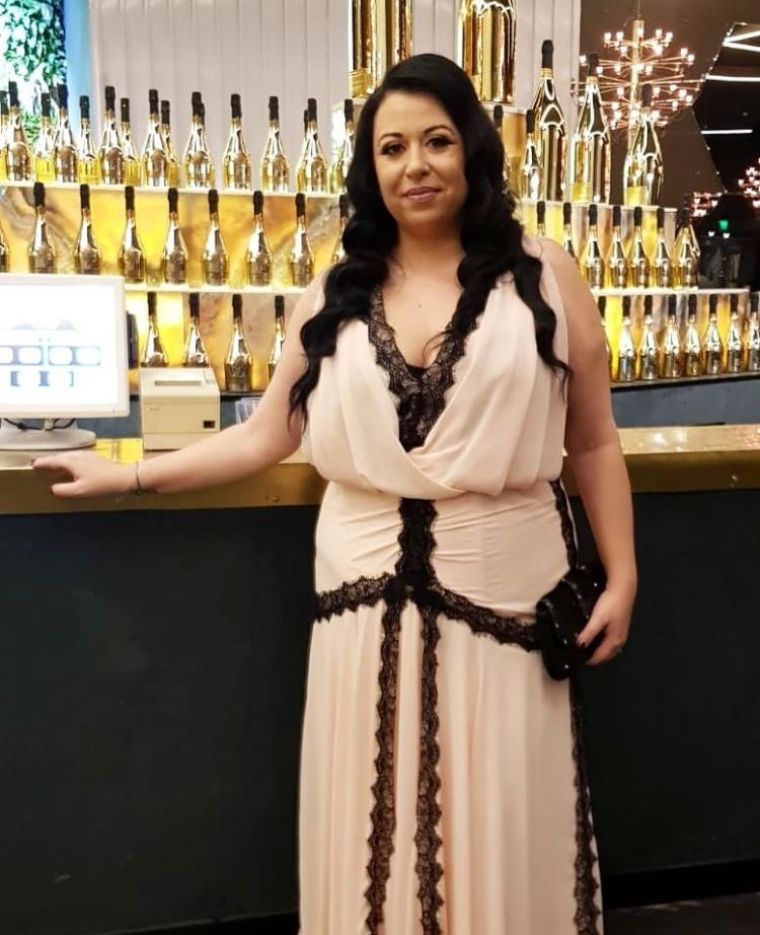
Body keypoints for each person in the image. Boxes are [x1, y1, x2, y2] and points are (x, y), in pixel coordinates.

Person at [35, 54, 636, 935]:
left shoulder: (547, 274)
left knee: (504, 809)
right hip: (362, 610)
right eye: (392, 148)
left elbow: (593, 438)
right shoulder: (336, 290)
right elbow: (267, 433)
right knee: (372, 826)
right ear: (371, 166)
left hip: (509, 601)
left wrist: (623, 574)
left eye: (436, 140)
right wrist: (125, 475)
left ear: (471, 149)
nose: (415, 164)